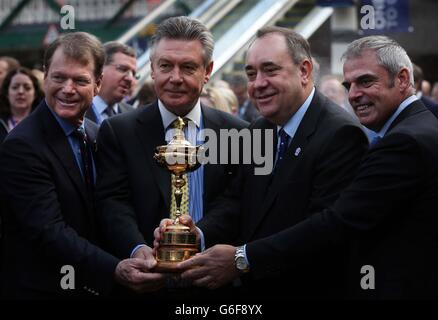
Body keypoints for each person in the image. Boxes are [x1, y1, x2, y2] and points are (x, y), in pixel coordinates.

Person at [164, 35, 438, 299]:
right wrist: (197, 233)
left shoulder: (343, 133)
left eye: (270, 70)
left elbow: (331, 227)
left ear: (304, 71)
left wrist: (241, 258)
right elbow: (237, 200)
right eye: (251, 74)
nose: (258, 83)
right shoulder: (259, 128)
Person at [0, 32, 165, 299]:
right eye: (59, 78)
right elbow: (49, 231)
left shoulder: (96, 133)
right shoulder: (22, 145)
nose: (68, 88)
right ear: (45, 77)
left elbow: (111, 207)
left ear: (97, 84)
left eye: (80, 80)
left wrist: (139, 248)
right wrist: (115, 268)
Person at [95, 16, 247, 283]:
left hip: (217, 283)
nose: (175, 78)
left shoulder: (237, 132)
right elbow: (114, 203)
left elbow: (237, 201)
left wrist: (198, 235)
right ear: (152, 68)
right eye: (166, 66)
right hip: (146, 281)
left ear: (207, 70)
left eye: (188, 67)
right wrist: (138, 249)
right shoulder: (119, 131)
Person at [85, 42, 137, 125]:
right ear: (99, 68)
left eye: (134, 74)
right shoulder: (75, 107)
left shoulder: (133, 115)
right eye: (123, 69)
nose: (130, 78)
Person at [0, 67, 44, 143]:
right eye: (15, 87)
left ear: (35, 94)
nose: (20, 92)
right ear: (7, 93)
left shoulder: (45, 122)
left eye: (27, 88)